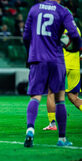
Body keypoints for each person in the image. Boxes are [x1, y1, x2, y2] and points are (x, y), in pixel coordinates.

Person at [23, 0, 80, 147]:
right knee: (60, 99)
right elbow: (74, 34)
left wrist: (29, 55)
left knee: (35, 97)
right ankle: (61, 139)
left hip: (37, 58)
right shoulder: (63, 11)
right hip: (56, 59)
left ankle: (30, 129)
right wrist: (76, 48)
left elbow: (26, 37)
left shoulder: (34, 9)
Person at [43, 27, 81, 131]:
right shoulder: (76, 29)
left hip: (60, 65)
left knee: (51, 93)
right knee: (73, 97)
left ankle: (52, 123)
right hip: (75, 67)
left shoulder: (55, 27)